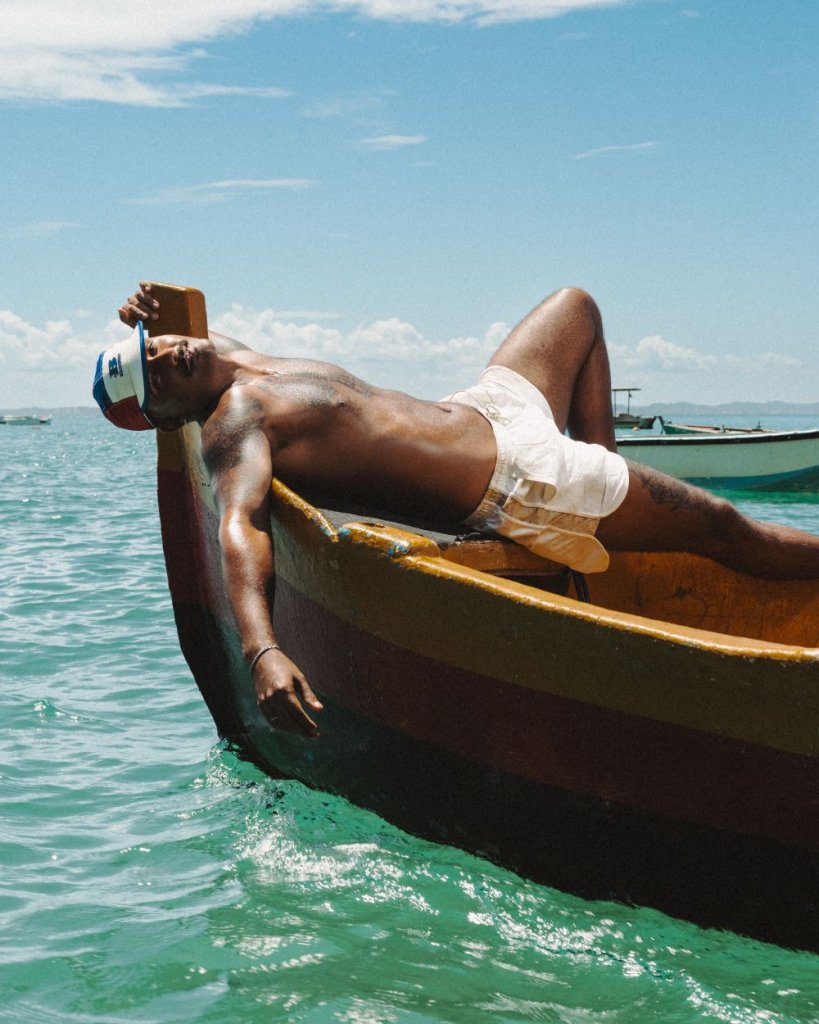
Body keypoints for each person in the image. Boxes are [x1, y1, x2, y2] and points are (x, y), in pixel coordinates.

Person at [94, 283, 819, 737]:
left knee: (576, 307)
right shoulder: (233, 422)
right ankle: (601, 492)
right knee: (728, 531)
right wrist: (262, 650)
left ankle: (610, 488)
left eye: (153, 348)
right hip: (521, 480)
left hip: (488, 410)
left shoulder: (227, 357)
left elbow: (178, 325)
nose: (167, 355)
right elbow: (240, 523)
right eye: (155, 375)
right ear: (169, 417)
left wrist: (139, 314)